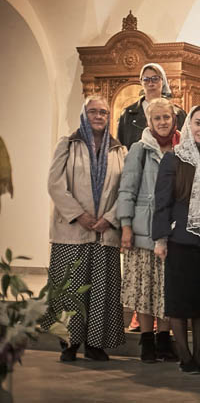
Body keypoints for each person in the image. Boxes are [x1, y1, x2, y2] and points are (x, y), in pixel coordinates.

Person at [42, 96, 127, 361]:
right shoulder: (68, 143)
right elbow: (55, 184)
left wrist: (110, 218)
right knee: (70, 287)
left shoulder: (119, 150)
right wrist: (79, 215)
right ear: (84, 114)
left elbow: (125, 191)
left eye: (103, 112)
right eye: (93, 112)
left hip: (105, 232)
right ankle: (69, 343)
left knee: (101, 289)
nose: (99, 116)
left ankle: (95, 344)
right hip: (71, 232)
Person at [152, 105, 200, 374]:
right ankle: (185, 357)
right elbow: (162, 202)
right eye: (198, 123)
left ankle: (199, 356)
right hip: (179, 240)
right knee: (179, 303)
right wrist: (160, 238)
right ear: (189, 125)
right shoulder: (174, 158)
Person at [117, 98, 180, 363]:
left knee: (166, 288)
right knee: (144, 288)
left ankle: (164, 340)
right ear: (149, 121)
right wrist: (126, 226)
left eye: (166, 117)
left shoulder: (182, 147)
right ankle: (146, 341)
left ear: (174, 119)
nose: (163, 122)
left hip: (172, 230)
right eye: (157, 118)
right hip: (144, 230)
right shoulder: (139, 149)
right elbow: (127, 190)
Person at [117, 62, 186, 150]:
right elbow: (121, 147)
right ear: (141, 81)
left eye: (155, 79)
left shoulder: (178, 113)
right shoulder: (128, 114)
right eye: (146, 79)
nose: (150, 83)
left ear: (163, 81)